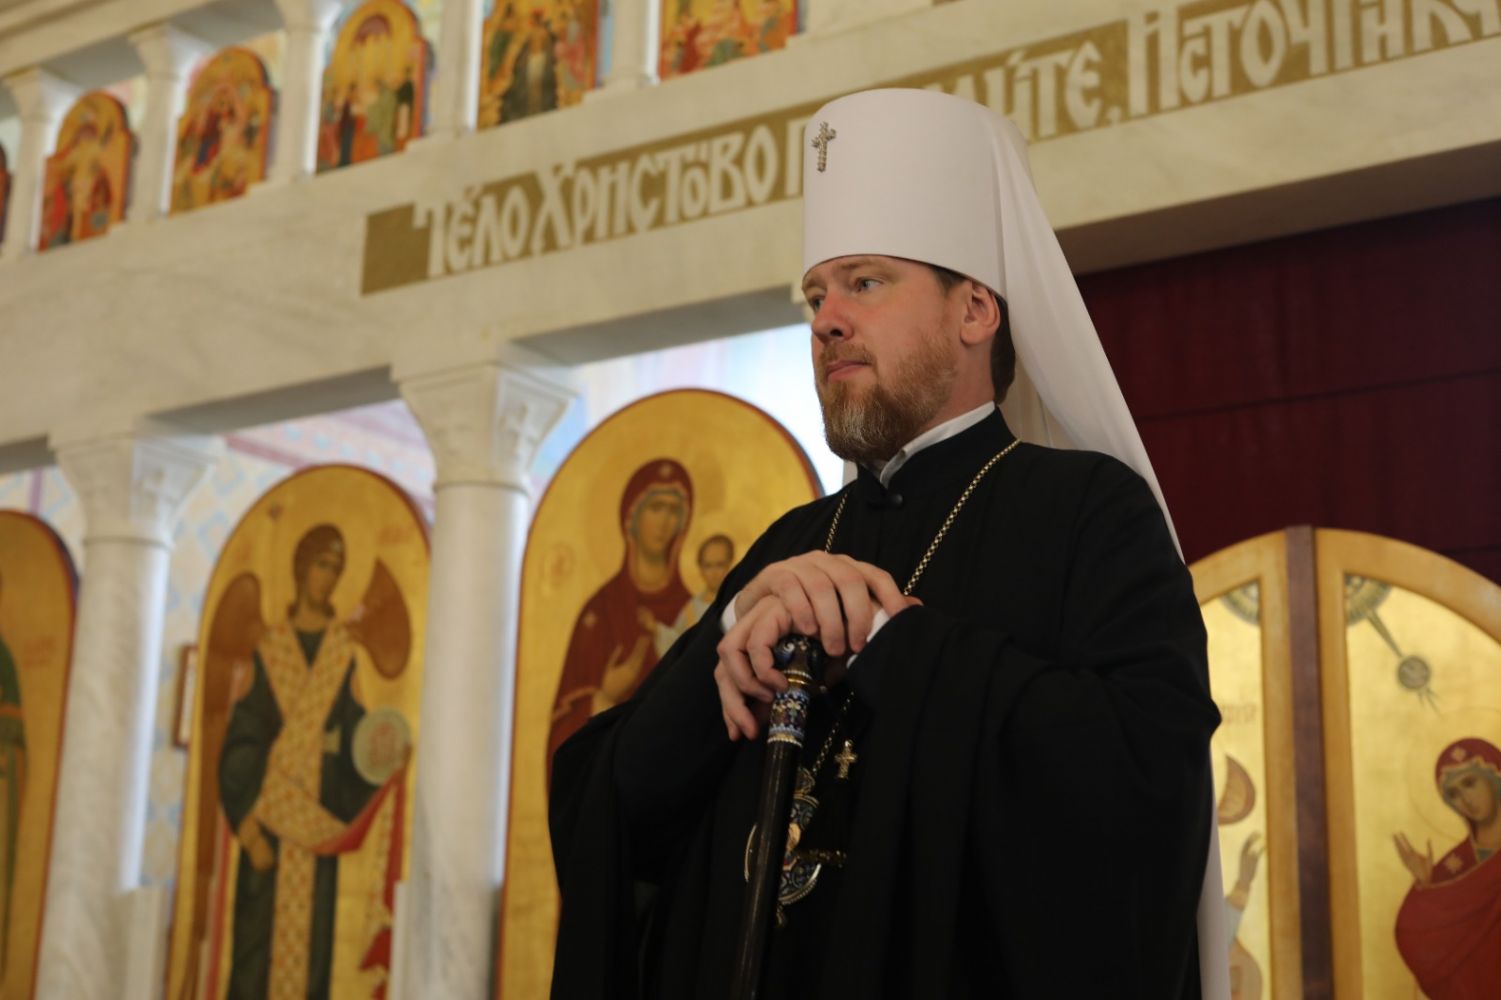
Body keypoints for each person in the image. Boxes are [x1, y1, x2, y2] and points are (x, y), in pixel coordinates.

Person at [549, 88, 1226, 998]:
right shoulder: (788, 546)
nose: (825, 319)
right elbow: (611, 807)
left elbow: (1143, 790)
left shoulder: (1090, 513)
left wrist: (892, 644)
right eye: (815, 295)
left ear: (973, 311)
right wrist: (729, 638)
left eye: (864, 283)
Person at [218, 525, 380, 998]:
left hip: (314, 828)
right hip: (268, 828)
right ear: (301, 569)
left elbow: (357, 740)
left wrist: (383, 753)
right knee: (255, 954)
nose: (327, 578)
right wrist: (249, 830)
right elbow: (241, 745)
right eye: (321, 566)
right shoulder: (270, 650)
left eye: (336, 569)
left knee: (312, 959)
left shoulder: (342, 653)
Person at [547, 461, 694, 787]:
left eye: (674, 511)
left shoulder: (693, 613)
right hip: (610, 786)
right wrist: (603, 697)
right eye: (656, 507)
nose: (665, 522)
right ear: (631, 516)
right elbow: (561, 732)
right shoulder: (599, 613)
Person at [1393, 737, 1501, 998]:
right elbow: (1411, 935)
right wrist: (1425, 887)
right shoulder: (1455, 867)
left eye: (1470, 783)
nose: (1466, 799)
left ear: (1494, 776)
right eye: (1454, 794)